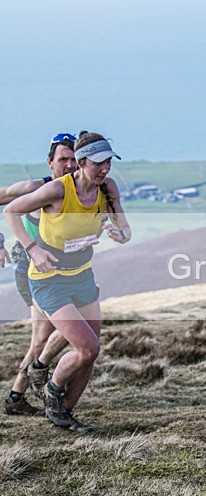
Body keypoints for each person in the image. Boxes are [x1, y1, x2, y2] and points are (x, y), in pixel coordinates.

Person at [3, 131, 131, 431]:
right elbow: (11, 210)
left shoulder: (107, 188)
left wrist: (120, 235)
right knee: (80, 346)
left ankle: (62, 412)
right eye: (99, 163)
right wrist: (32, 249)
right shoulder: (53, 190)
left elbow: (124, 228)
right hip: (48, 279)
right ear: (81, 163)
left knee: (91, 350)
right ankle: (45, 387)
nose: (105, 169)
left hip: (82, 276)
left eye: (109, 162)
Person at [1, 133, 76, 416]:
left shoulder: (80, 190)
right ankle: (33, 378)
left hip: (62, 272)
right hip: (30, 269)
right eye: (63, 160)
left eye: (74, 160)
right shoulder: (34, 188)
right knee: (54, 331)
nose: (69, 166)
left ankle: (17, 394)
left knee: (46, 336)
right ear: (49, 162)